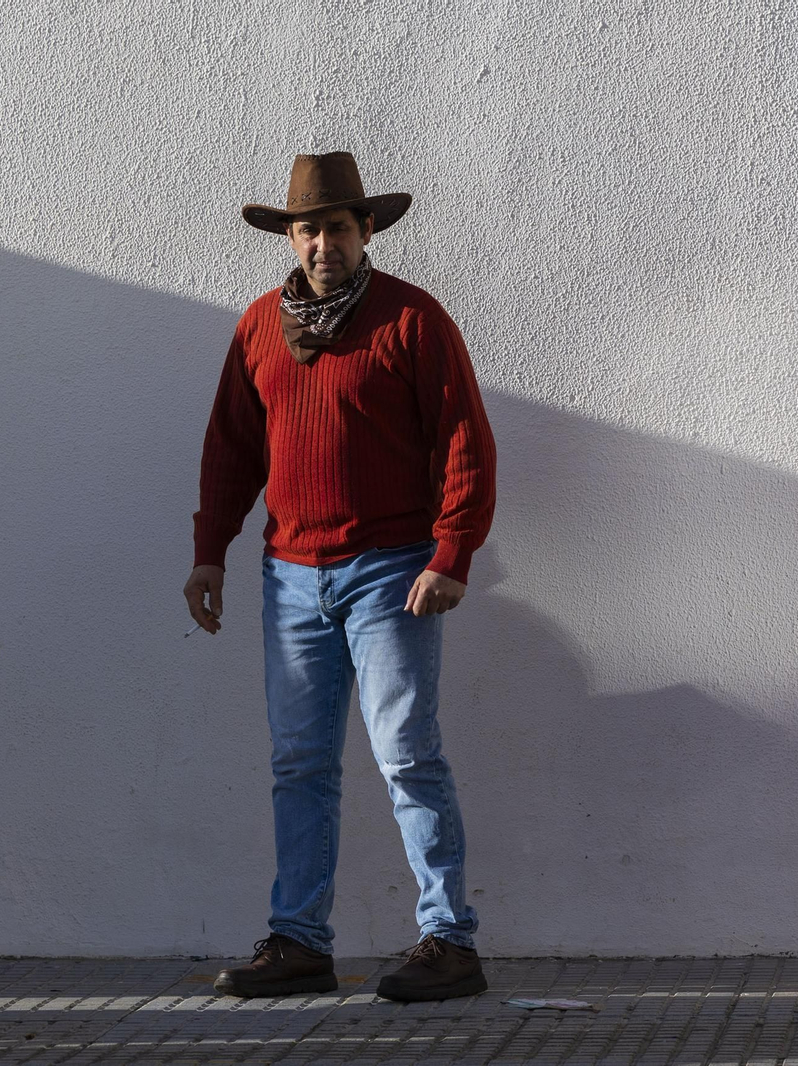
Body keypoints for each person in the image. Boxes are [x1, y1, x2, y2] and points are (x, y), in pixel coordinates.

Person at [183, 152, 497, 1002]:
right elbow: (231, 450)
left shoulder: (413, 321)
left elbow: (464, 438)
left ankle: (448, 940)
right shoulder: (258, 326)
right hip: (289, 577)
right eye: (307, 228)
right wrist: (211, 549)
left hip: (392, 572)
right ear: (290, 236)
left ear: (367, 232)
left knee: (406, 757)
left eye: (336, 227)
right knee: (300, 763)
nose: (322, 242)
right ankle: (298, 942)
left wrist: (450, 553)